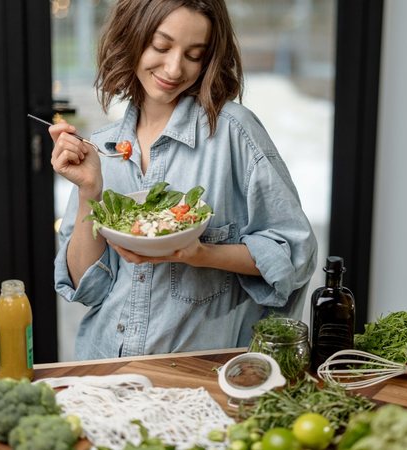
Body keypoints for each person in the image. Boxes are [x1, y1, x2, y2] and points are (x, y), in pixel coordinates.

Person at [50, 0, 318, 360]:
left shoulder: (234, 134)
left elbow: (294, 253)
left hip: (200, 372)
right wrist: (89, 191)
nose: (174, 68)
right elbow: (88, 288)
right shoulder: (101, 149)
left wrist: (202, 253)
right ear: (132, 37)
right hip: (106, 364)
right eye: (161, 47)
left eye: (194, 55)